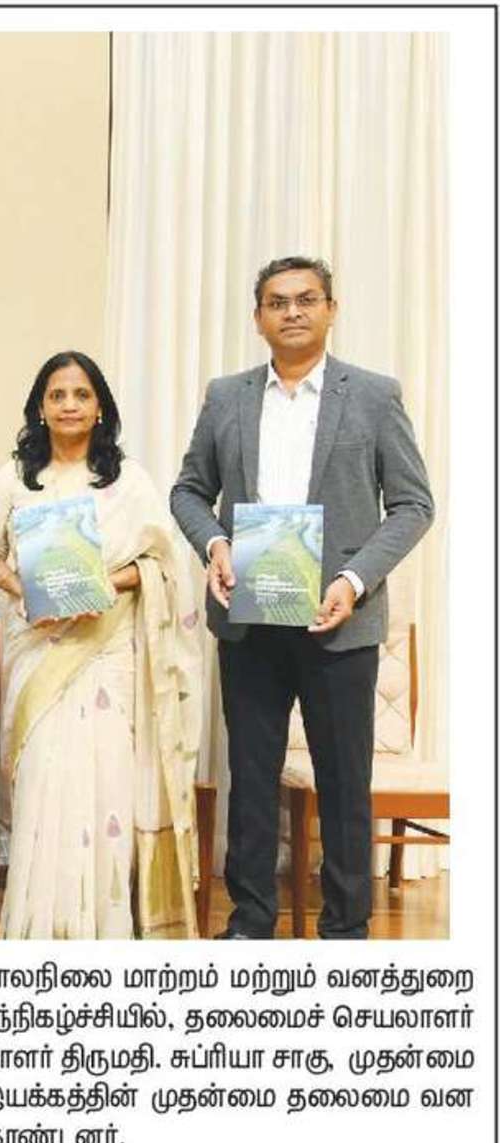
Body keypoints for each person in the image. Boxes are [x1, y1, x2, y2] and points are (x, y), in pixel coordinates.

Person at [170, 256, 433, 940]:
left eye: (306, 299)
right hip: (249, 620)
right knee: (251, 777)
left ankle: (344, 931)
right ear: (258, 317)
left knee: (344, 782)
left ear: (330, 309)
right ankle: (250, 923)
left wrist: (353, 580)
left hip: (339, 622)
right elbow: (189, 491)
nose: (292, 311)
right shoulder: (226, 397)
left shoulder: (373, 395)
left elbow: (413, 505)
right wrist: (215, 545)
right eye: (277, 301)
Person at [0, 352, 204, 939]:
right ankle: (41, 925)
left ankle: (105, 925)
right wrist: (26, 589)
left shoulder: (129, 481)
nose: (70, 405)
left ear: (100, 406)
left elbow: (160, 563)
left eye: (81, 394)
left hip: (109, 651)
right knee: (45, 779)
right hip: (40, 647)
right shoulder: (14, 479)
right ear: (40, 407)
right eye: (57, 395)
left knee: (106, 784)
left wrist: (104, 585)